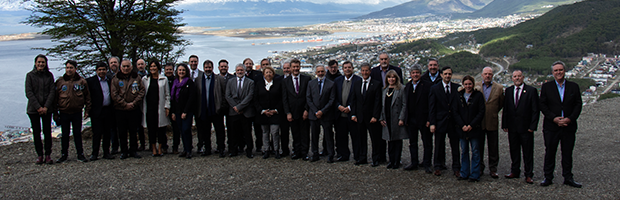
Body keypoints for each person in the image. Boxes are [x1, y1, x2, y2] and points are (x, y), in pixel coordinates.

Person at [539, 61, 583, 188]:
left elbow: (578, 104)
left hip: (569, 126)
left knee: (567, 152)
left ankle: (568, 177)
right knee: (550, 152)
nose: (559, 72)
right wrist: (554, 118)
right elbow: (542, 104)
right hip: (551, 126)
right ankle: (548, 177)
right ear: (552, 73)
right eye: (556, 70)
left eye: (561, 70)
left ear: (565, 71)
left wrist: (570, 119)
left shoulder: (573, 86)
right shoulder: (546, 87)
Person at [502, 70, 539, 184]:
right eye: (515, 76)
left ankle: (528, 174)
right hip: (512, 127)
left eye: (519, 76)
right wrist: (504, 124)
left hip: (526, 127)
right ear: (512, 78)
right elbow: (506, 109)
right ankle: (515, 171)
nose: (517, 78)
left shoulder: (531, 91)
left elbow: (535, 110)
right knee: (514, 150)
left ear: (523, 77)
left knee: (527, 152)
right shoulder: (508, 91)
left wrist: (533, 126)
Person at [55, 60, 91, 163]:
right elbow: (55, 98)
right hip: (64, 111)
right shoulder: (60, 82)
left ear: (75, 69)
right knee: (65, 134)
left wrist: (87, 110)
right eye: (67, 68)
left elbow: (87, 97)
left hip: (77, 111)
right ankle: (64, 155)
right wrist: (55, 113)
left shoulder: (81, 81)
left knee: (77, 134)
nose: (69, 70)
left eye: (71, 68)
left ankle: (80, 154)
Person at [452, 75, 485, 182]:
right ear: (463, 85)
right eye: (466, 84)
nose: (468, 86)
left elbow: (481, 112)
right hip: (462, 129)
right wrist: (462, 125)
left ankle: (475, 174)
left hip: (474, 129)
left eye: (470, 84)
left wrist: (471, 125)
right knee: (464, 151)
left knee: (475, 151)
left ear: (473, 84)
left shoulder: (478, 95)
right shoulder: (459, 95)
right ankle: (464, 172)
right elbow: (455, 112)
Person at [429, 66, 461, 177]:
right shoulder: (435, 88)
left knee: (455, 146)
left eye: (449, 74)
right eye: (445, 74)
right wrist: (432, 123)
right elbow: (432, 107)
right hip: (440, 121)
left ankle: (456, 167)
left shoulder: (457, 88)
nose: (447, 76)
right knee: (438, 145)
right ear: (441, 75)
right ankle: (437, 166)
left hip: (453, 122)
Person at [111, 59, 145, 159]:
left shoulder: (136, 77)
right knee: (122, 131)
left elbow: (142, 91)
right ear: (120, 67)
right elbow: (114, 94)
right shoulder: (116, 78)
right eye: (124, 66)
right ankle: (124, 151)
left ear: (131, 67)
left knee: (133, 131)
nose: (126, 68)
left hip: (134, 109)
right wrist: (124, 104)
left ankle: (133, 150)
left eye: (127, 66)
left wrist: (133, 103)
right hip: (120, 109)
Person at [25, 54, 56, 164]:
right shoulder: (30, 76)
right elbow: (29, 92)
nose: (41, 64)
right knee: (36, 132)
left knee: (47, 132)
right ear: (35, 63)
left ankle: (48, 154)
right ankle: (39, 155)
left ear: (46, 63)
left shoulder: (49, 76)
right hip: (33, 109)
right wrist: (38, 107)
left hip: (47, 109)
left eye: (43, 62)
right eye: (39, 62)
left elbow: (52, 91)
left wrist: (46, 106)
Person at [350, 63, 383, 166]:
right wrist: (353, 114)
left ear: (370, 71)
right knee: (361, 138)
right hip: (360, 117)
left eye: (366, 71)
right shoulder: (357, 83)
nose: (364, 73)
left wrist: (375, 116)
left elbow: (378, 101)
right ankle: (362, 157)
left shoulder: (376, 84)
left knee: (375, 139)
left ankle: (376, 158)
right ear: (360, 71)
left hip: (371, 117)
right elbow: (353, 100)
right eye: (363, 71)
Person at [403, 64, 433, 172]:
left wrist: (430, 119)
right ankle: (414, 162)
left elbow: (431, 104)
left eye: (417, 73)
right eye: (413, 73)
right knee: (413, 142)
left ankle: (426, 163)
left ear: (420, 74)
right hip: (411, 119)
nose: (415, 75)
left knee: (427, 143)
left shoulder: (428, 86)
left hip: (424, 119)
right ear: (410, 74)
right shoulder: (408, 86)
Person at [195, 60, 228, 157]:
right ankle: (207, 149)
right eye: (206, 68)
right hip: (204, 109)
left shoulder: (219, 79)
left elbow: (224, 94)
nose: (208, 69)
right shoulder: (198, 80)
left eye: (209, 67)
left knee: (220, 131)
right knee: (205, 131)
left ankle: (221, 148)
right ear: (203, 68)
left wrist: (222, 106)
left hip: (216, 109)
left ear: (213, 68)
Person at [477, 67, 504, 178]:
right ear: (482, 75)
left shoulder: (499, 88)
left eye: (490, 74)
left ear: (492, 75)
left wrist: (493, 112)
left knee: (493, 147)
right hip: (480, 121)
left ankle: (493, 168)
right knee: (479, 147)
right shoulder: (476, 86)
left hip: (492, 121)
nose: (487, 76)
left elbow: (501, 104)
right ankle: (479, 168)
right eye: (486, 74)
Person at [282, 58, 311, 160]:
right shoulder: (285, 81)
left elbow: (309, 96)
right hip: (292, 111)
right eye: (293, 67)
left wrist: (307, 109)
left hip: (304, 111)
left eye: (297, 66)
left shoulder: (307, 79)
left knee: (305, 133)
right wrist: (288, 112)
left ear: (300, 67)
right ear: (290, 68)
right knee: (295, 133)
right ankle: (296, 151)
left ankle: (305, 152)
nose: (295, 68)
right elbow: (284, 98)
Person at [307, 65, 336, 163]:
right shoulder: (311, 83)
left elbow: (332, 100)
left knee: (328, 135)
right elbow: (308, 98)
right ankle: (315, 154)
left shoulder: (331, 84)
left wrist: (322, 111)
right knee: (314, 135)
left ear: (325, 72)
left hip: (326, 114)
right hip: (313, 114)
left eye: (322, 71)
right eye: (318, 71)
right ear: (316, 73)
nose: (320, 73)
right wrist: (316, 111)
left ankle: (330, 154)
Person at [225, 64, 256, 158]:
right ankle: (233, 150)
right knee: (234, 132)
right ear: (235, 71)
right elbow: (227, 95)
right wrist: (235, 106)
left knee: (247, 132)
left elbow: (250, 96)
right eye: (238, 70)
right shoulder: (230, 82)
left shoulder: (250, 82)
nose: (239, 72)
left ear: (245, 71)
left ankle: (249, 150)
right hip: (233, 111)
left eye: (241, 70)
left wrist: (240, 107)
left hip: (245, 111)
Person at [86, 61, 115, 161]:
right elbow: (87, 96)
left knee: (107, 133)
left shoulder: (110, 80)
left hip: (108, 110)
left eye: (103, 69)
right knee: (97, 133)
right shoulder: (90, 81)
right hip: (96, 111)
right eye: (100, 70)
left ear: (107, 70)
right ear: (96, 71)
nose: (102, 71)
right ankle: (95, 153)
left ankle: (106, 152)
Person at [379, 70, 408, 169]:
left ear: (397, 78)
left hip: (396, 118)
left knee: (397, 141)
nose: (391, 79)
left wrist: (401, 118)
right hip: (387, 117)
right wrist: (381, 118)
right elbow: (381, 105)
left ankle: (397, 160)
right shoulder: (384, 90)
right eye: (389, 77)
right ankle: (391, 160)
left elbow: (404, 104)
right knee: (389, 140)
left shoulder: (401, 89)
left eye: (393, 77)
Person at [333, 61, 361, 162]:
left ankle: (357, 156)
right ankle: (344, 155)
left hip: (352, 114)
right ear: (342, 69)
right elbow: (333, 96)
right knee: (341, 136)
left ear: (353, 68)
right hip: (340, 114)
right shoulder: (337, 80)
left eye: (349, 67)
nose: (347, 69)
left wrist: (350, 107)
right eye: (345, 68)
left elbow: (359, 98)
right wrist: (338, 106)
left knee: (355, 136)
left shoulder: (358, 80)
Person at [142, 59, 170, 157]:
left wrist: (167, 107)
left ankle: (160, 148)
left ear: (158, 68)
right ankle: (153, 148)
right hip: (149, 108)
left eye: (155, 66)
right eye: (151, 66)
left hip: (160, 107)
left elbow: (167, 94)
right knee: (151, 129)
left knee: (161, 129)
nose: (153, 68)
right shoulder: (145, 79)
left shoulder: (164, 79)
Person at [255, 66, 283, 159]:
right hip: (263, 114)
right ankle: (266, 150)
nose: (268, 74)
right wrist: (262, 111)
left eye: (270, 72)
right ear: (263, 74)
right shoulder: (259, 84)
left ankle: (276, 150)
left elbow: (281, 98)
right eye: (266, 72)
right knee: (265, 132)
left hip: (275, 113)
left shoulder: (278, 84)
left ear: (273, 74)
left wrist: (276, 110)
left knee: (275, 132)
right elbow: (256, 99)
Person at [170, 63, 196, 159]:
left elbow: (191, 98)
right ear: (177, 71)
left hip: (187, 111)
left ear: (186, 71)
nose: (181, 72)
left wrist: (185, 111)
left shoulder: (189, 82)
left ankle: (189, 150)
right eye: (180, 70)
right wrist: (173, 112)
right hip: (177, 110)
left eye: (183, 70)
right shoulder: (175, 82)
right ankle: (185, 149)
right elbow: (172, 99)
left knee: (186, 130)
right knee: (181, 130)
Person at [244, 58, 264, 153]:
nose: (248, 65)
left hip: (255, 105)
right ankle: (248, 146)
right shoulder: (239, 74)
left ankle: (259, 146)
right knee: (246, 129)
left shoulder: (258, 74)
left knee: (258, 128)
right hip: (245, 107)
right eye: (247, 63)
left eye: (250, 63)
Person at [279, 59, 292, 156]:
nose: (286, 70)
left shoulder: (296, 79)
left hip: (294, 109)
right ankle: (285, 149)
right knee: (284, 132)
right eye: (285, 68)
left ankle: (297, 149)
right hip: (282, 110)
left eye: (288, 68)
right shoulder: (278, 80)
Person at [107, 56, 120, 154]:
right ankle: (114, 147)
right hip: (110, 105)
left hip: (121, 105)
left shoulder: (122, 74)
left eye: (115, 62)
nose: (113, 64)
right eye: (111, 63)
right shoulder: (107, 76)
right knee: (112, 128)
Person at [163, 63, 176, 153]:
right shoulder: (162, 80)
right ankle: (164, 146)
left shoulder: (176, 80)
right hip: (163, 107)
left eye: (170, 69)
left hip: (174, 107)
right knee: (162, 128)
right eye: (167, 69)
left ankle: (175, 147)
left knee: (176, 128)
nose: (168, 71)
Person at [135, 58, 147, 151]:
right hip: (138, 104)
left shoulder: (149, 75)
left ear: (145, 65)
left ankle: (152, 144)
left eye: (142, 64)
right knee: (139, 126)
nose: (140, 66)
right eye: (138, 64)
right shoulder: (135, 77)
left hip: (148, 102)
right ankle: (141, 144)